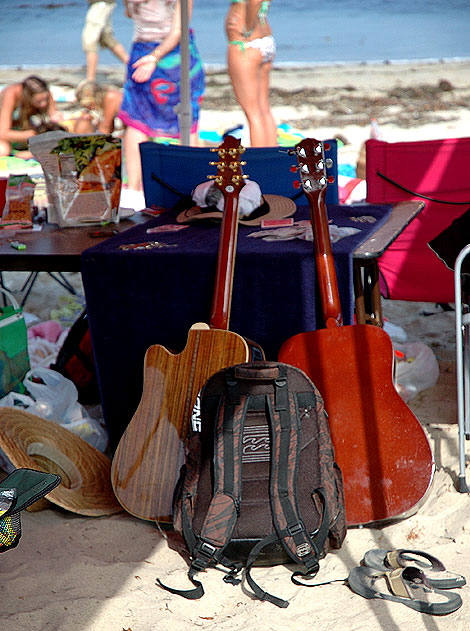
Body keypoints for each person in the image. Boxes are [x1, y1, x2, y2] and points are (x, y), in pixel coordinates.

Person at [118, 0, 205, 210]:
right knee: (187, 120)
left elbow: (129, 15)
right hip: (172, 57)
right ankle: (192, 185)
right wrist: (155, 58)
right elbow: (177, 32)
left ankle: (134, 189)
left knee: (138, 120)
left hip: (142, 51)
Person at [225, 0, 278, 147]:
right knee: (263, 109)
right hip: (264, 39)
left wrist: (247, 27)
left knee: (253, 114)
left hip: (245, 44)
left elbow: (255, 1)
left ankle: (261, 163)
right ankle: (272, 156)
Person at [0, 75, 64, 159]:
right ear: (27, 97)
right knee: (3, 150)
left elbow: (55, 121)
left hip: (24, 128)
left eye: (45, 100)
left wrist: (56, 119)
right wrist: (33, 135)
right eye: (39, 102)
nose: (43, 104)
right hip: (8, 131)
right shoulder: (11, 94)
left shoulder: (45, 93)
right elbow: (3, 133)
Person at [82, 0, 129, 82]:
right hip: (103, 4)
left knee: (90, 40)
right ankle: (131, 66)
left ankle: (90, 79)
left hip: (100, 4)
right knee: (107, 38)